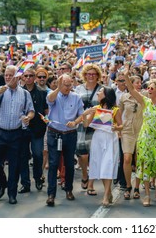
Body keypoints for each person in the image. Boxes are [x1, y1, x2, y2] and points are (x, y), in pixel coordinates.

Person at [123, 68, 156, 207]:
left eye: (151, 88)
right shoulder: (145, 102)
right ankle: (147, 195)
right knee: (145, 165)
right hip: (144, 138)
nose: (148, 90)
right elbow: (132, 90)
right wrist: (126, 76)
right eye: (148, 87)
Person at [0, 65, 35, 205]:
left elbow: (31, 110)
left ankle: (12, 194)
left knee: (14, 165)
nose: (7, 77)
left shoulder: (25, 93)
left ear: (17, 76)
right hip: (0, 132)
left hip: (16, 133)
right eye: (6, 75)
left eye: (10, 75)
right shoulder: (0, 90)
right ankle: (2, 184)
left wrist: (28, 117)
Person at [45, 74, 84, 207]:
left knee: (69, 163)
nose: (67, 88)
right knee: (53, 163)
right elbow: (49, 100)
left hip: (69, 134)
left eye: (69, 85)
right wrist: (58, 88)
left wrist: (75, 122)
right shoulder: (53, 94)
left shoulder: (76, 97)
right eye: (65, 85)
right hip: (54, 133)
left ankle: (69, 189)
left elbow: (81, 115)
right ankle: (51, 194)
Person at [82, 86, 123, 207]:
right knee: (100, 164)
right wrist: (84, 115)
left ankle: (105, 195)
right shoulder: (96, 108)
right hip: (98, 138)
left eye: (100, 91)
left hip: (110, 138)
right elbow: (86, 125)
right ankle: (108, 192)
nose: (98, 93)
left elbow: (121, 125)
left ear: (106, 95)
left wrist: (116, 127)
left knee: (108, 164)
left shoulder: (116, 110)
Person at [18, 68, 48, 193]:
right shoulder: (19, 92)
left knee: (37, 154)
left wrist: (47, 122)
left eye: (31, 75)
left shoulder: (42, 92)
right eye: (26, 75)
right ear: (23, 77)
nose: (29, 78)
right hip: (22, 129)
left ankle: (38, 178)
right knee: (23, 156)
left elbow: (46, 111)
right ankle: (25, 183)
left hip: (37, 129)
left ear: (34, 77)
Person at [74, 64, 102, 195]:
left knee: (94, 154)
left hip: (97, 125)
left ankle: (90, 183)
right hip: (81, 125)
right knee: (82, 154)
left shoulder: (103, 90)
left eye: (93, 74)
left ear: (98, 76)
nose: (91, 76)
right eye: (88, 74)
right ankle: (85, 173)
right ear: (84, 75)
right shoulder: (78, 89)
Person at [118, 75, 144, 200]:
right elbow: (118, 113)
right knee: (127, 158)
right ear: (131, 83)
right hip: (127, 130)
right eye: (137, 82)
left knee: (139, 159)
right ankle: (128, 186)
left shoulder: (145, 95)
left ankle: (137, 187)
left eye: (140, 82)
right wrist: (119, 127)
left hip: (141, 130)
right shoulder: (123, 97)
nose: (139, 84)